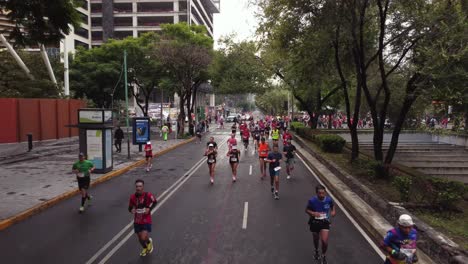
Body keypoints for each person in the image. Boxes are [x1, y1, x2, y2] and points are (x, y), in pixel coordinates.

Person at [306, 185, 336, 263]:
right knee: (316, 239)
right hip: (314, 222)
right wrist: (313, 213)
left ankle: (323, 255)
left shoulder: (328, 200)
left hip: (325, 222)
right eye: (320, 193)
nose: (322, 195)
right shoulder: (312, 201)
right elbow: (306, 210)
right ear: (316, 193)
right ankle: (316, 250)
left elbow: (332, 206)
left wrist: (333, 211)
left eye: (323, 193)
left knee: (324, 241)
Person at [128, 179, 157, 257]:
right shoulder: (132, 197)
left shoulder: (148, 195)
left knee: (143, 237)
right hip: (137, 220)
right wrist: (132, 210)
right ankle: (144, 247)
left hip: (146, 219)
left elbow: (154, 202)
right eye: (137, 186)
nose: (138, 188)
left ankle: (149, 242)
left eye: (140, 186)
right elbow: (129, 208)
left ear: (143, 187)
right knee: (140, 239)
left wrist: (149, 209)